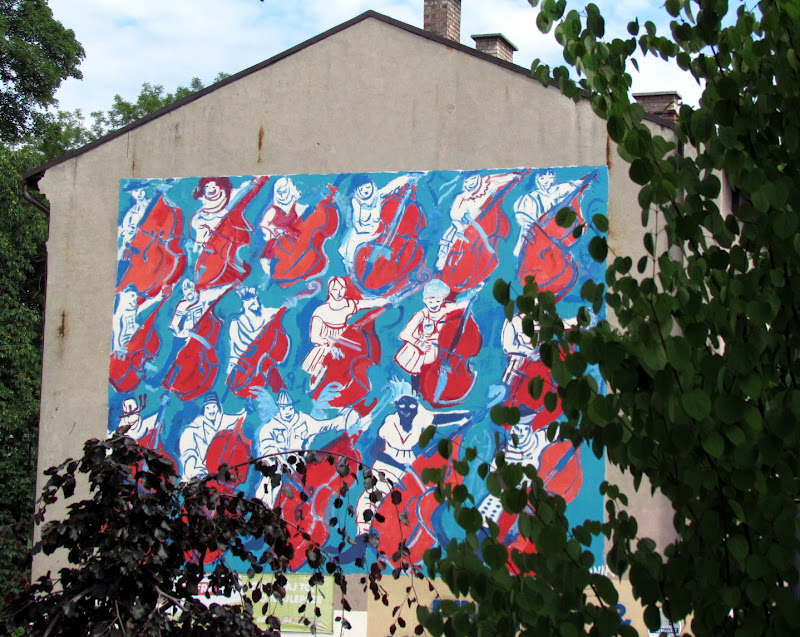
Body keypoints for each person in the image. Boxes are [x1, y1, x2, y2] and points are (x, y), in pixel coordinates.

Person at [253, 389, 365, 506]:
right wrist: (278, 461)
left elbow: (325, 425)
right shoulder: (269, 427)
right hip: (278, 467)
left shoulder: (304, 421)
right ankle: (263, 505)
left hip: (299, 468)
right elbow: (267, 448)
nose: (287, 411)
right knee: (272, 476)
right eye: (284, 408)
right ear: (279, 408)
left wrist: (346, 420)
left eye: (289, 408)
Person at [301, 276, 389, 390]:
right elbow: (315, 337)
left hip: (343, 341)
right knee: (321, 371)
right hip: (326, 346)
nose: (339, 293)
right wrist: (330, 346)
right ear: (330, 291)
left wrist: (388, 300)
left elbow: (369, 303)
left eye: (342, 288)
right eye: (335, 289)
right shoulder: (320, 311)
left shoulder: (348, 305)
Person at [394, 278, 480, 392]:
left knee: (434, 371)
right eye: (431, 302)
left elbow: (462, 304)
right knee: (417, 373)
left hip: (437, 349)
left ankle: (433, 390)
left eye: (438, 301)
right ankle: (416, 391)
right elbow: (404, 334)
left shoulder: (445, 309)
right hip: (419, 349)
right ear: (425, 300)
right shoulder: (421, 314)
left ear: (442, 300)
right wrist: (419, 344)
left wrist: (473, 293)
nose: (434, 305)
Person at [435, 171, 517, 270]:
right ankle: (444, 262)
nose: (470, 183)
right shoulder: (461, 197)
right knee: (451, 239)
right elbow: (454, 214)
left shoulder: (487, 184)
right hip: (463, 225)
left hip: (483, 224)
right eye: (467, 181)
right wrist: (462, 222)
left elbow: (503, 178)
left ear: (477, 177)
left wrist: (514, 176)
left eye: (473, 179)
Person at [338, 173, 413, 270]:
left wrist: (407, 178)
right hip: (361, 232)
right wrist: (363, 232)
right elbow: (356, 222)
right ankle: (353, 270)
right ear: (356, 189)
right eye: (361, 189)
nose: (366, 190)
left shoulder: (377, 195)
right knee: (351, 248)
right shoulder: (355, 201)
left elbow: (390, 187)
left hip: (376, 229)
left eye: (368, 187)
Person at [511, 168, 586, 257]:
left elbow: (572, 186)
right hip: (535, 237)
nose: (546, 181)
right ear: (537, 179)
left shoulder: (557, 191)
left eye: (550, 177)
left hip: (554, 236)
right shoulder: (529, 199)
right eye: (542, 178)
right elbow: (527, 224)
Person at [178, 393, 246, 480]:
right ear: (204, 409)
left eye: (214, 406)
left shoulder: (227, 421)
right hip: (201, 473)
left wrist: (247, 408)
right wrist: (195, 469)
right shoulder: (194, 428)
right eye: (207, 407)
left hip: (223, 471)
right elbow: (188, 451)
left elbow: (240, 417)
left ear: (218, 407)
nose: (211, 410)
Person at [226, 287, 282, 376]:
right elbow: (234, 353)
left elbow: (283, 309)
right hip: (245, 370)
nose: (255, 302)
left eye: (255, 298)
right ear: (243, 303)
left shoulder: (269, 314)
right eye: (249, 299)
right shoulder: (236, 324)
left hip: (267, 365)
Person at [258, 177, 307, 275]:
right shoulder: (273, 210)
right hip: (279, 243)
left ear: (290, 190)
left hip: (295, 242)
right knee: (273, 244)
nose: (281, 195)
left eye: (284, 191)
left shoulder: (297, 207)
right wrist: (274, 231)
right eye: (279, 192)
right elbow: (263, 227)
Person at [111, 284, 167, 358]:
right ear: (123, 295)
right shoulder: (119, 313)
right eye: (132, 296)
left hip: (132, 343)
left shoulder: (133, 310)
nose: (135, 299)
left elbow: (148, 303)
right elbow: (116, 329)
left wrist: (160, 295)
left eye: (136, 297)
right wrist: (117, 346)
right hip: (124, 344)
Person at [190, 177, 235, 251]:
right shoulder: (201, 209)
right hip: (202, 248)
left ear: (221, 188)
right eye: (207, 186)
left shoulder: (226, 205)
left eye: (214, 187)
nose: (210, 189)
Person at [118, 183, 150, 260]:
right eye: (136, 191)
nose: (140, 193)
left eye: (142, 190)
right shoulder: (131, 213)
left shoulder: (151, 204)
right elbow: (126, 230)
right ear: (131, 193)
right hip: (137, 243)